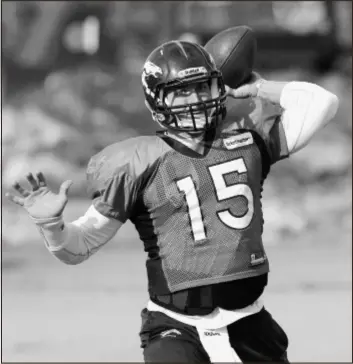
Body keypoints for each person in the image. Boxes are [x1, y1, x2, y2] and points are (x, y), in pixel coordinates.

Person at [7, 40, 339, 363]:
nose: (194, 99)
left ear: (218, 88)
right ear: (158, 99)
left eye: (202, 87)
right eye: (181, 92)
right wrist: (52, 226)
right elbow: (78, 246)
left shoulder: (247, 139)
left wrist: (261, 87)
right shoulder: (136, 162)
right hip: (176, 327)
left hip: (250, 325)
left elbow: (322, 103)